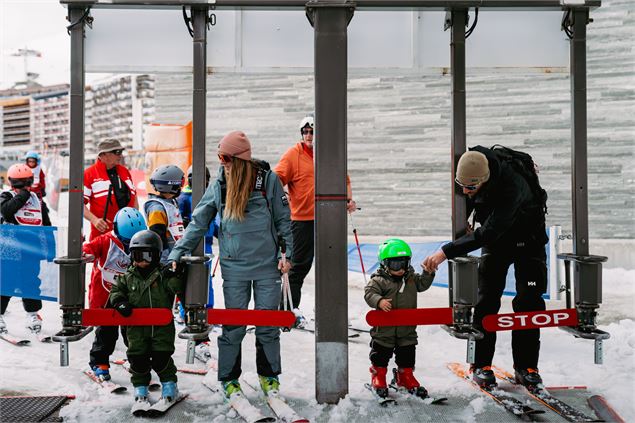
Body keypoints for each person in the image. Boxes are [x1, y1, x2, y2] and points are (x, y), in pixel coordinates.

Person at [168, 130, 293, 399]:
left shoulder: (267, 180)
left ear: (240, 158)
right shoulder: (221, 184)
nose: (221, 162)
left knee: (267, 325)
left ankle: (269, 376)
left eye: (225, 157)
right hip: (234, 267)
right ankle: (228, 377)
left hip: (267, 265)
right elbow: (199, 221)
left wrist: (287, 254)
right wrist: (177, 252)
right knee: (233, 325)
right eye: (219, 156)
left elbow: (284, 219)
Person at [423, 148, 549, 388]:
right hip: (497, 243)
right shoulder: (470, 167)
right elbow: (470, 204)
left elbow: (489, 231)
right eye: (461, 186)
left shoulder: (514, 186)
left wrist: (444, 252)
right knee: (487, 300)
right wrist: (467, 222)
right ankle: (481, 365)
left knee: (529, 302)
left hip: (528, 240)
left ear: (485, 180)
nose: (465, 192)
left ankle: (527, 366)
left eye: (470, 188)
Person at [274, 115, 357, 326]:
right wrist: (283, 200)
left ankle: (329, 312)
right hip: (302, 220)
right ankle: (287, 311)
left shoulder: (327, 154)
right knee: (298, 266)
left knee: (330, 265)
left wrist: (349, 199)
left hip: (328, 220)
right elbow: (276, 179)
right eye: (305, 132)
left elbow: (344, 178)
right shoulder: (294, 154)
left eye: (312, 131)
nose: (309, 135)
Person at [109, 230, 184, 414]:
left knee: (162, 359)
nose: (141, 260)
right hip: (136, 331)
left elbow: (177, 288)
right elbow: (115, 291)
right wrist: (120, 302)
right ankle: (140, 392)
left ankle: (169, 388)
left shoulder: (162, 276)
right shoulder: (127, 277)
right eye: (136, 255)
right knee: (138, 360)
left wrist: (177, 272)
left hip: (161, 330)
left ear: (156, 256)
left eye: (146, 255)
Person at [364, 239, 435, 399]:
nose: (401, 269)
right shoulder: (379, 280)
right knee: (380, 355)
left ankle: (405, 377)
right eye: (396, 265)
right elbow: (369, 293)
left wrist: (428, 273)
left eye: (404, 263)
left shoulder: (411, 278)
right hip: (384, 331)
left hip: (407, 329)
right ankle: (378, 376)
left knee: (407, 355)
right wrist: (379, 301)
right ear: (384, 264)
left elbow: (423, 284)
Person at [82, 207, 147, 380]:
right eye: (126, 241)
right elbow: (89, 248)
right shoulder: (105, 240)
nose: (128, 245)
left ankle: (135, 360)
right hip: (104, 295)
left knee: (132, 332)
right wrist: (85, 253)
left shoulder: (140, 243)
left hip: (129, 296)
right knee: (106, 332)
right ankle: (99, 362)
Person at [0, 164, 50, 334]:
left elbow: (46, 224)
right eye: (19, 183)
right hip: (9, 250)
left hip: (30, 249)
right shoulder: (6, 196)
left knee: (31, 282)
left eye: (26, 183)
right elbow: (6, 212)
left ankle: (33, 314)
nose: (24, 187)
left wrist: (49, 249)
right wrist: (22, 195)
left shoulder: (37, 200)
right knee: (7, 281)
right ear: (12, 183)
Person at [84, 138, 138, 241]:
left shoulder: (124, 171)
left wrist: (135, 218)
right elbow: (79, 204)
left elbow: (134, 196)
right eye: (117, 152)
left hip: (128, 232)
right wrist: (95, 220)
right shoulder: (89, 174)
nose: (120, 155)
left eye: (121, 152)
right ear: (103, 154)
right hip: (103, 236)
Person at [145, 165, 186, 264]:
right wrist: (165, 262)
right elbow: (158, 237)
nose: (181, 187)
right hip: (168, 260)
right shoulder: (157, 209)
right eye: (181, 183)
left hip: (177, 255)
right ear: (172, 185)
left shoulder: (171, 202)